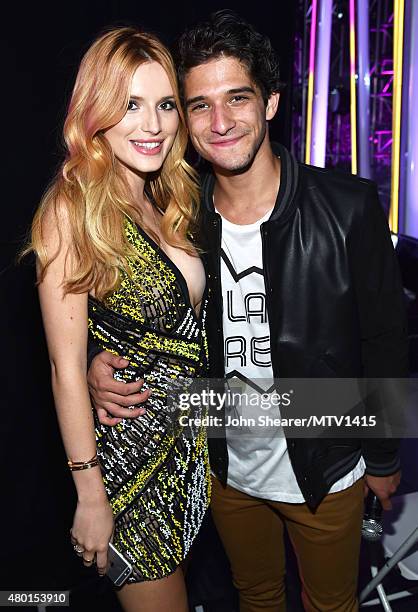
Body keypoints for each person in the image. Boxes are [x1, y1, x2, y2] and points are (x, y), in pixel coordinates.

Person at [87, 11, 408, 612]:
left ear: (270, 103)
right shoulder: (175, 219)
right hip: (225, 467)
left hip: (327, 464)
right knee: (254, 595)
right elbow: (139, 319)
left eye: (238, 98)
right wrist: (94, 365)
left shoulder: (349, 209)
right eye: (200, 105)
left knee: (331, 604)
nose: (221, 121)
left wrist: (384, 458)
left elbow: (385, 340)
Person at [25, 26, 211, 612]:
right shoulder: (71, 209)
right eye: (130, 105)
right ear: (96, 112)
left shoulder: (166, 197)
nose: (152, 125)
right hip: (135, 469)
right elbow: (62, 367)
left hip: (194, 447)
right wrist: (90, 495)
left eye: (164, 105)